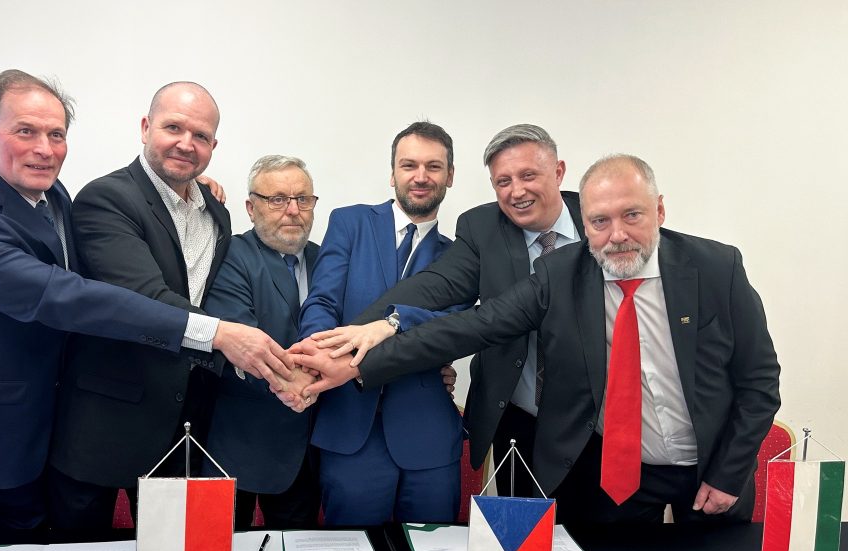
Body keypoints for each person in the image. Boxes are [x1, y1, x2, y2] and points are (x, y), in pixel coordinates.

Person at [0, 71, 291, 551]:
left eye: (56, 134)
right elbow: (65, 296)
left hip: (35, 435)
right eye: (26, 131)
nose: (44, 149)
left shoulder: (52, 194)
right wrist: (217, 334)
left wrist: (188, 185)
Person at [294, 154, 781, 524]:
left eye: (632, 215)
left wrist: (728, 472)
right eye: (600, 221)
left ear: (659, 210)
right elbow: (471, 327)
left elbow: (759, 382)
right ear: (584, 223)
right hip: (618, 477)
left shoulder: (718, 268)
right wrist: (361, 358)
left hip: (711, 473)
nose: (616, 235)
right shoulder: (560, 274)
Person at [47, 81, 274, 530]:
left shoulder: (216, 212)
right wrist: (228, 339)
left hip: (185, 424)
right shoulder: (106, 198)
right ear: (146, 128)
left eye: (201, 136)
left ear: (213, 146)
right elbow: (144, 298)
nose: (187, 144)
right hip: (104, 423)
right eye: (174, 128)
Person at [330, 124, 582, 497]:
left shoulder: (601, 220)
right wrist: (357, 336)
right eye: (503, 181)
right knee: (522, 531)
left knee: (607, 532)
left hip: (595, 423)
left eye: (529, 175)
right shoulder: (483, 227)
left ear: (558, 172)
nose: (517, 191)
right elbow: (435, 288)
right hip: (518, 419)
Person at [295, 122, 465, 525]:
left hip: (429, 439)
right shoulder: (349, 223)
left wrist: (394, 324)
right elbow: (322, 301)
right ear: (393, 174)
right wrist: (319, 355)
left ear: (450, 176)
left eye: (433, 166)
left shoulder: (460, 256)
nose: (420, 176)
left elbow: (452, 326)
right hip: (350, 428)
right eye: (409, 165)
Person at [202, 155, 322, 529]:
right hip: (238, 445)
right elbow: (242, 339)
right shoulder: (230, 254)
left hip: (309, 450)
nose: (293, 210)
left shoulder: (326, 258)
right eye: (277, 199)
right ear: (251, 208)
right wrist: (302, 383)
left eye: (303, 199)